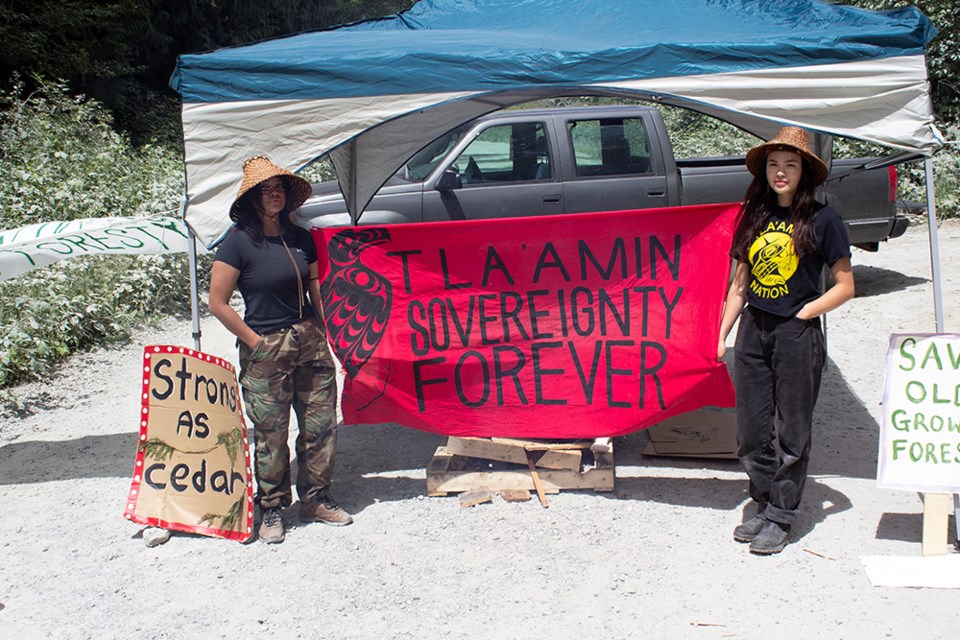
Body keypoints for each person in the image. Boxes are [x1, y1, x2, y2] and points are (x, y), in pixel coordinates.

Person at [717, 127, 855, 555]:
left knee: (792, 430)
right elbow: (740, 285)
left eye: (790, 165)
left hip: (797, 333)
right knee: (751, 431)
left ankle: (781, 515)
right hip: (754, 330)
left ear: (804, 173)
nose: (781, 172)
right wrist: (721, 335)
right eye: (775, 164)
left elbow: (845, 285)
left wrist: (807, 312)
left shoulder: (823, 219)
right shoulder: (753, 216)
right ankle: (762, 500)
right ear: (765, 171)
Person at [209, 155, 352, 544]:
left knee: (320, 426)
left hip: (310, 341)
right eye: (267, 190)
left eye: (280, 189)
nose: (275, 195)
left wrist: (328, 330)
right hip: (266, 347)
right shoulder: (238, 242)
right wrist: (255, 343)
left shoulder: (301, 237)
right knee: (271, 433)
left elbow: (315, 289)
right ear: (253, 198)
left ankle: (316, 499)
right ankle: (271, 509)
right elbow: (217, 302)